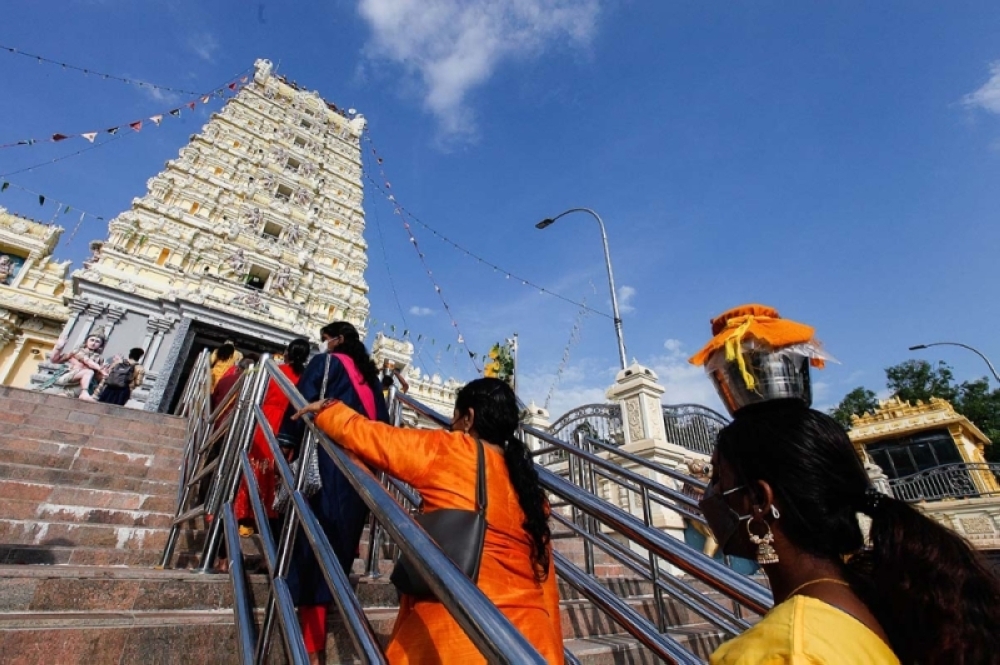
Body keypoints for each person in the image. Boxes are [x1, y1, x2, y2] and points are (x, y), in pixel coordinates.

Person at [703, 399, 1000, 665]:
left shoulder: (782, 652)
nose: (706, 496)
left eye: (717, 478)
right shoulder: (878, 600)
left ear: (758, 501)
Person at [293, 377, 564, 664]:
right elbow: (547, 587)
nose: (452, 426)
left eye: (454, 419)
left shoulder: (451, 450)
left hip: (461, 631)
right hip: (532, 642)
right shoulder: (531, 491)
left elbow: (376, 439)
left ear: (468, 418)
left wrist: (330, 409)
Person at [277, 321, 389, 664]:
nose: (324, 347)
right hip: (360, 474)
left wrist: (287, 440)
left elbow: (302, 399)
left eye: (326, 340)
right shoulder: (370, 380)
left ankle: (310, 644)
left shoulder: (326, 364)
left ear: (338, 340)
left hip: (326, 464)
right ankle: (319, 631)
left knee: (312, 546)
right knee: (336, 550)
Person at [232, 338, 310, 537]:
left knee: (254, 466)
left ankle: (244, 515)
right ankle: (267, 517)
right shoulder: (305, 378)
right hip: (287, 426)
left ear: (288, 353)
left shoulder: (275, 369)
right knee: (275, 472)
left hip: (264, 419)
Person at [38, 333, 107, 400]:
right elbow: (54, 360)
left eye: (97, 341)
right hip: (70, 376)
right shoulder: (76, 351)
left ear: (101, 345)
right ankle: (84, 392)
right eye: (92, 340)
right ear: (86, 341)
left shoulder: (100, 359)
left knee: (65, 396)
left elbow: (98, 377)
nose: (93, 343)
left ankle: (72, 394)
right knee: (89, 372)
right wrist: (58, 348)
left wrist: (104, 373)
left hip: (83, 383)